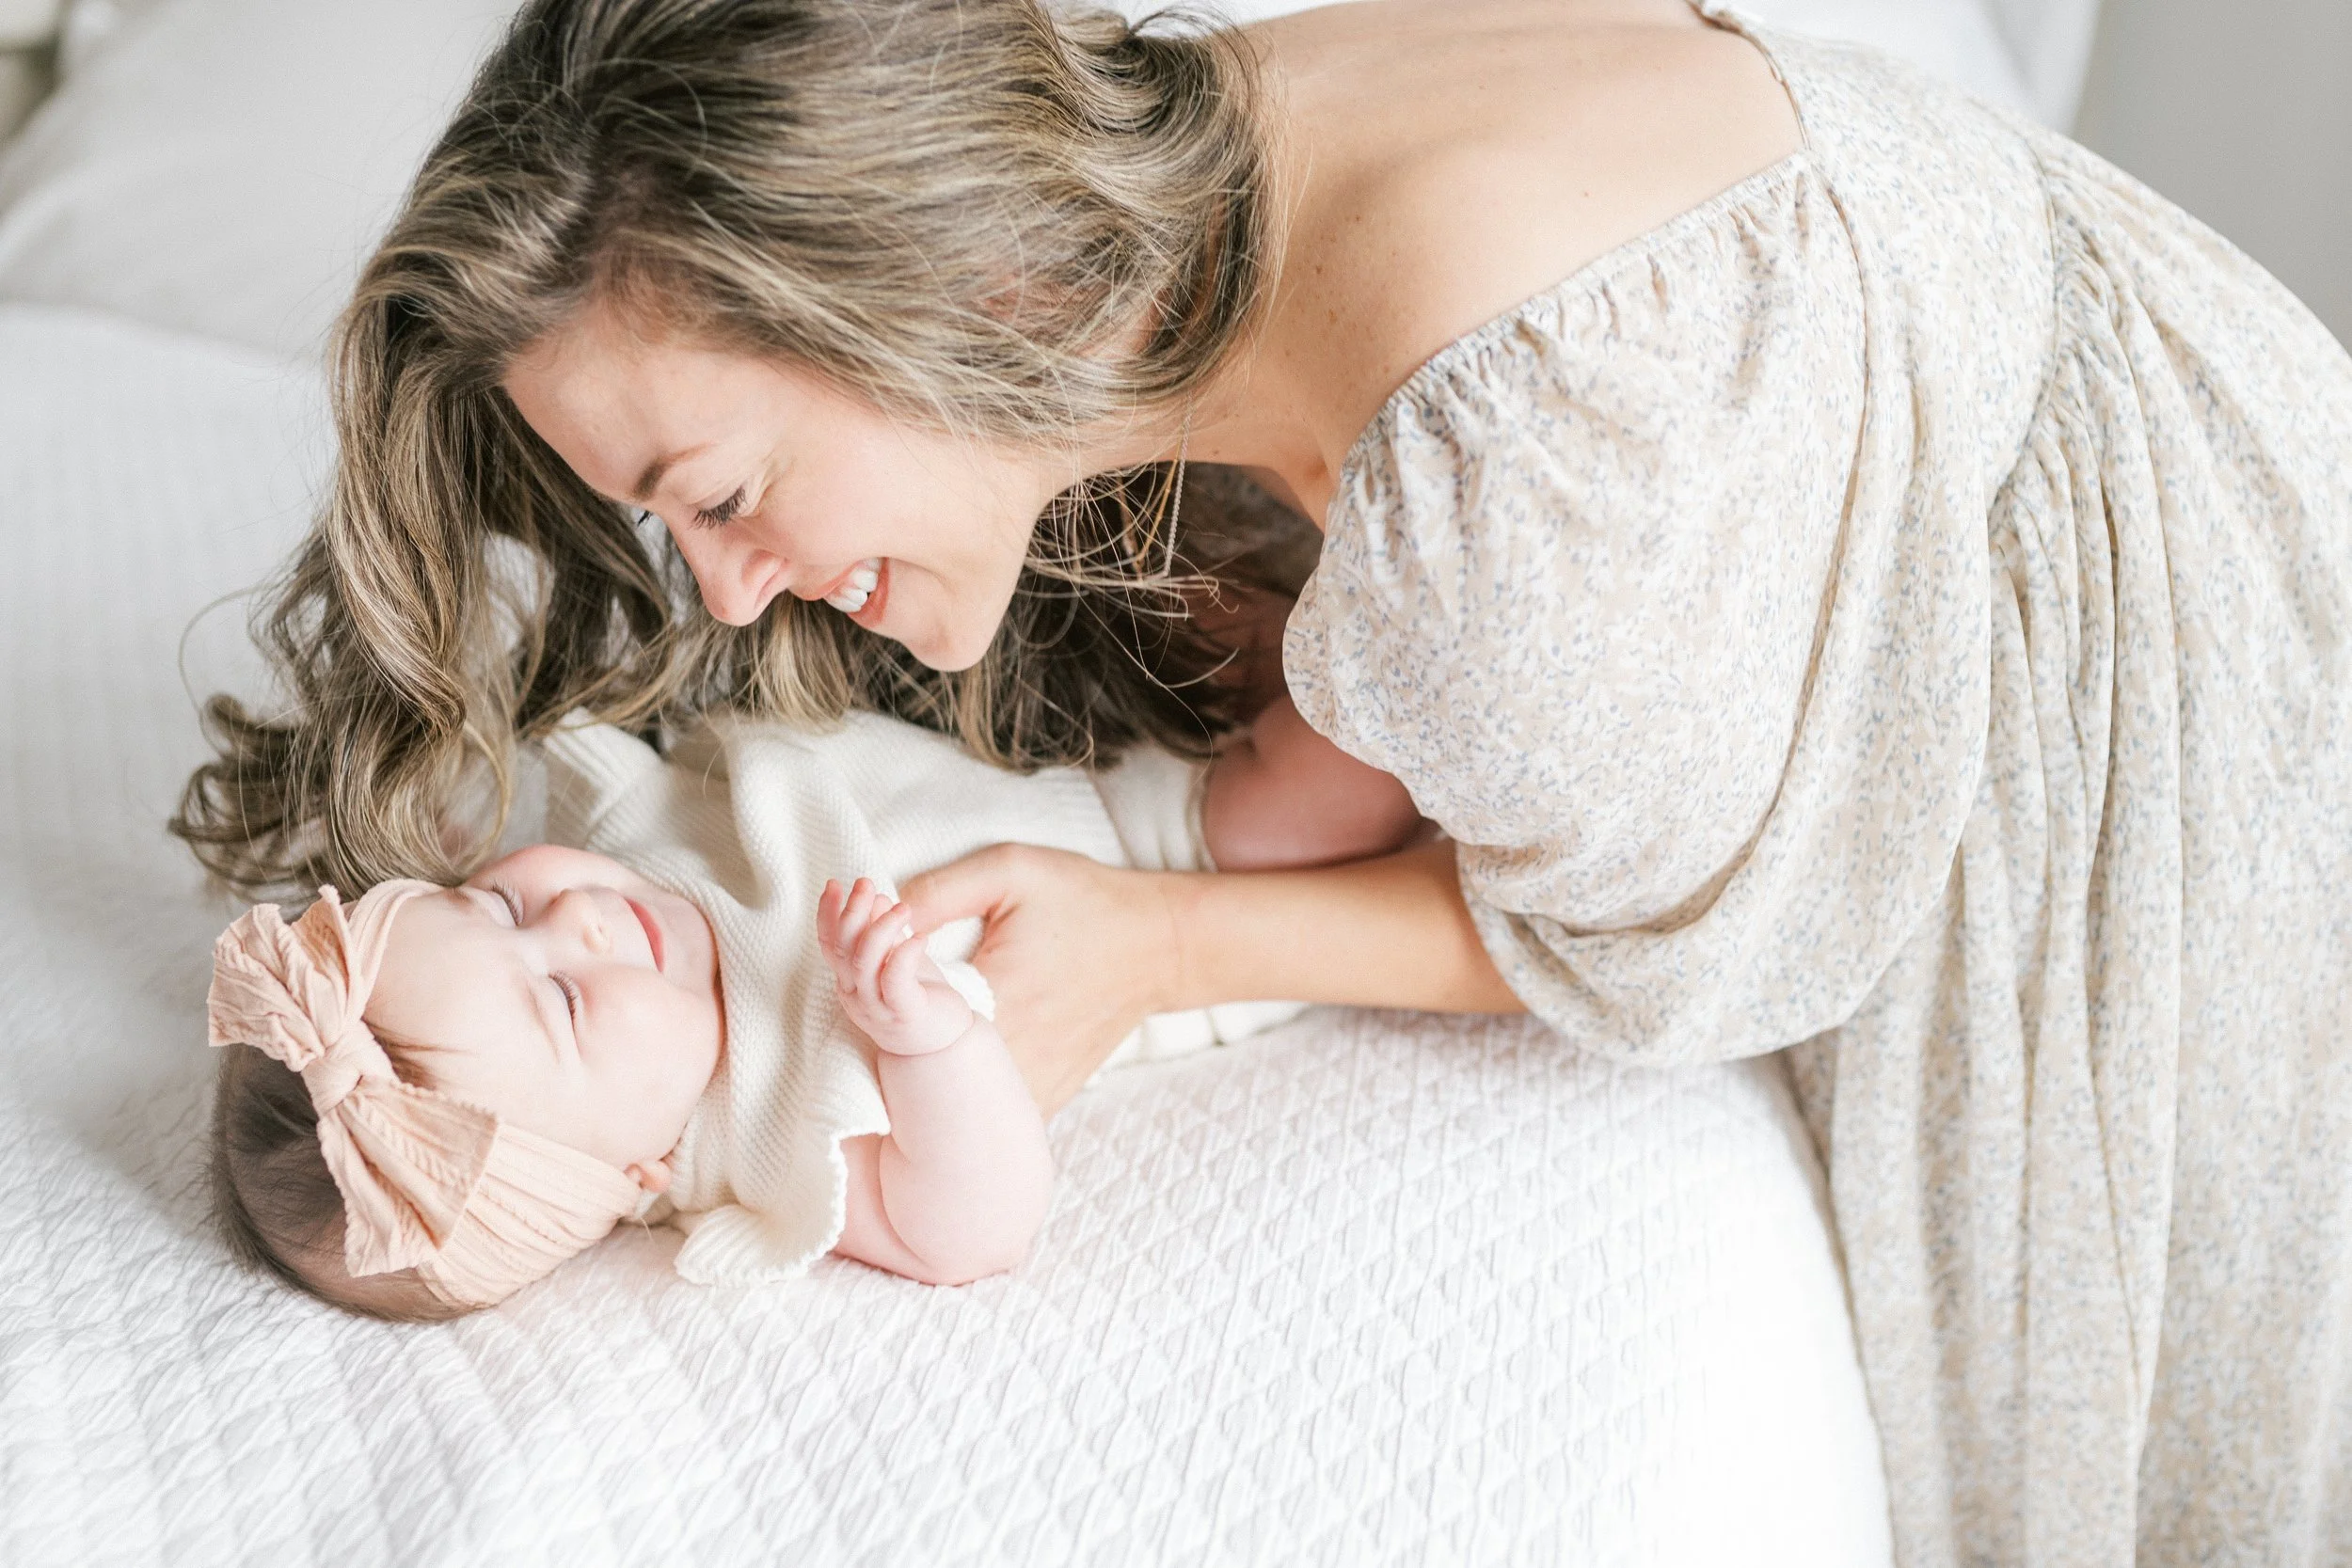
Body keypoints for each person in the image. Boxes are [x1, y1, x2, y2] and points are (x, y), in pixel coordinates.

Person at [170, 0, 2352, 1560]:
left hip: (2154, 706)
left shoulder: (1511, 487)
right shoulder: (1223, 132)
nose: (729, 588)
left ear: (913, 276)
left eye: (722, 488)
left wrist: (1165, 935)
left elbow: (1684, 942)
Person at [207, 708, 1420, 1318]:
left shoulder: (623, 858)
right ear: (629, 1172)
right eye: (566, 1005)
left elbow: (589, 744)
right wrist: (929, 1039)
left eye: (492, 906)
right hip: (1183, 867)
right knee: (1337, 782)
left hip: (1096, 743)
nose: (570, 919)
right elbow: (973, 1227)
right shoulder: (766, 1144)